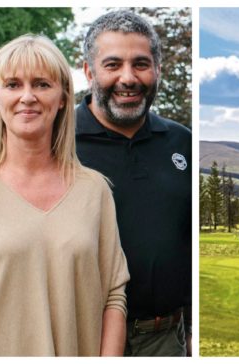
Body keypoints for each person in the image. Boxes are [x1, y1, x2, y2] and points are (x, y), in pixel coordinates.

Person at [0, 34, 130, 356]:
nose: (27, 97)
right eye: (12, 85)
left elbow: (113, 296)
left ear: (63, 97)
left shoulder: (94, 191)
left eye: (41, 84)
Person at [76, 10, 192, 357]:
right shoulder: (56, 142)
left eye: (140, 64)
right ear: (88, 72)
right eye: (112, 65)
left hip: (165, 339)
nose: (128, 77)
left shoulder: (181, 142)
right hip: (82, 337)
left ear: (158, 70)